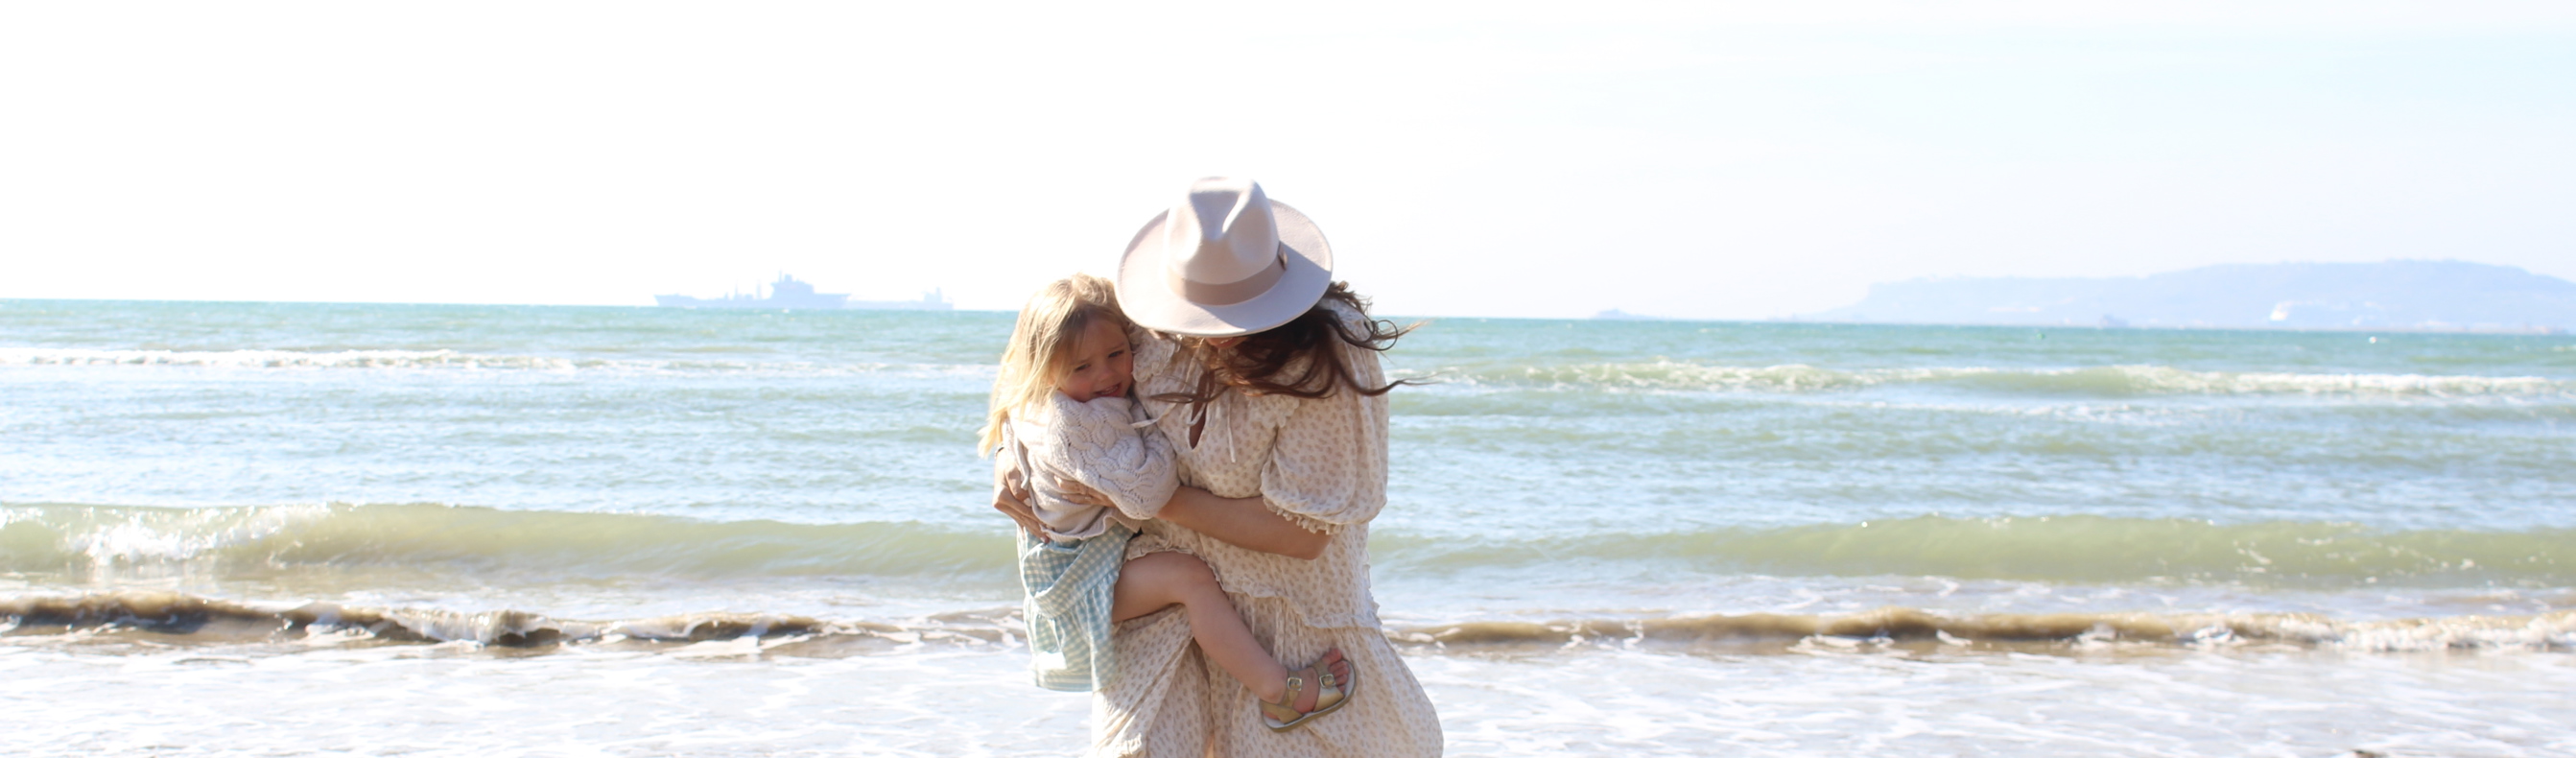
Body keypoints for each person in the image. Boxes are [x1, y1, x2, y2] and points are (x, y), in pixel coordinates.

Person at [992, 178, 1445, 756]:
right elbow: (1041, 359)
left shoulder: (1328, 356)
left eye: (1240, 311)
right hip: (1162, 625)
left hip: (1290, 634)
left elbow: (1302, 535)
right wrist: (1013, 450)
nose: (1214, 334)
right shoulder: (1142, 316)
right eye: (1202, 314)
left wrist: (1147, 497)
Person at [981, 272, 1356, 731]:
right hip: (1076, 576)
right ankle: (1282, 694)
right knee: (1191, 580)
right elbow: (1147, 495)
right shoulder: (1074, 428)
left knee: (1187, 578)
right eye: (1082, 368)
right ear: (1044, 370)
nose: (1106, 375)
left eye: (1117, 354)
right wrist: (1159, 434)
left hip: (1082, 560)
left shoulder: (1052, 400)